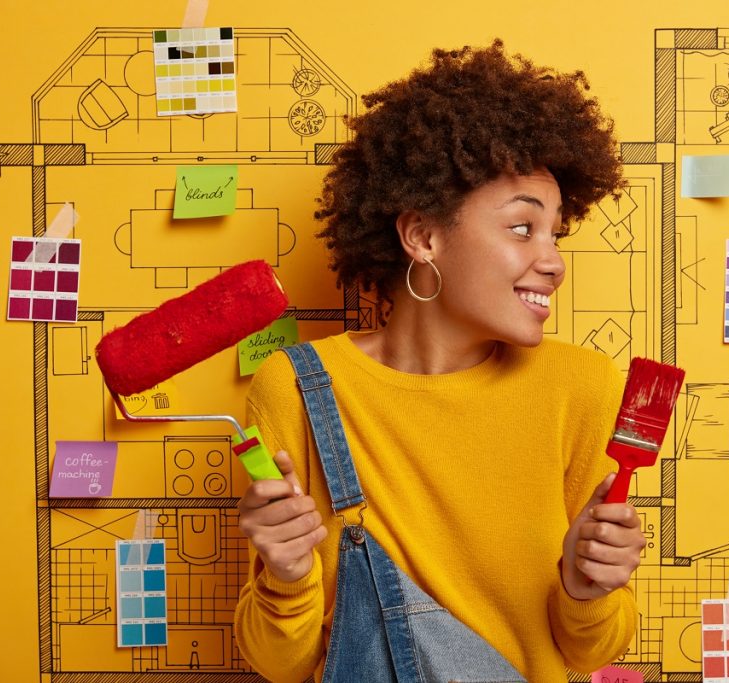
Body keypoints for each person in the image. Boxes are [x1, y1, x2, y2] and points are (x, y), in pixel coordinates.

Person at [234, 40, 645, 682]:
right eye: (521, 228)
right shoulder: (296, 386)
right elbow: (279, 664)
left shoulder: (582, 387)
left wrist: (587, 586)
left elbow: (593, 650)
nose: (553, 261)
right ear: (423, 236)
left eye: (556, 233)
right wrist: (286, 575)